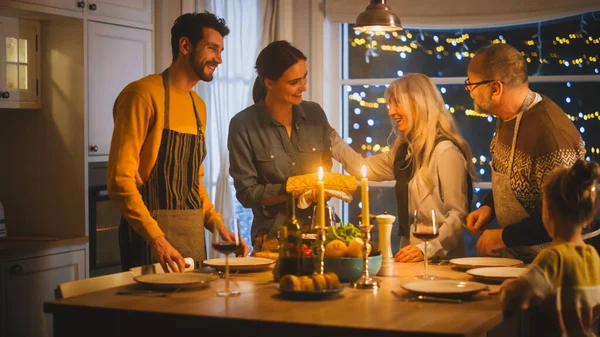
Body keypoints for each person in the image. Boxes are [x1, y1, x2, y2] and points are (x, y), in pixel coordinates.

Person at [108, 12, 248, 273]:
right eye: (212, 49)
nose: (219, 59)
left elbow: (193, 184)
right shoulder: (142, 95)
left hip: (191, 241)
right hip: (149, 244)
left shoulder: (198, 106)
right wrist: (156, 239)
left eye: (221, 51)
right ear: (185, 46)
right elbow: (120, 181)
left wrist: (219, 227)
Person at [330, 73, 476, 262]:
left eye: (396, 103)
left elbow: (458, 216)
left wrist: (426, 249)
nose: (390, 111)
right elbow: (361, 167)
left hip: (442, 264)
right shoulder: (404, 152)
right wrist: (328, 134)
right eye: (389, 104)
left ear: (419, 103)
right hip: (409, 259)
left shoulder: (445, 151)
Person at [464, 43, 589, 260]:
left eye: (472, 84)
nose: (468, 90)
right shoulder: (506, 116)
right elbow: (517, 180)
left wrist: (504, 237)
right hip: (520, 258)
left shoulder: (551, 137)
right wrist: (488, 207)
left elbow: (563, 216)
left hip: (556, 265)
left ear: (495, 89)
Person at [228, 40, 332, 251]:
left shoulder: (315, 114)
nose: (303, 87)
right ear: (269, 82)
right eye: (294, 82)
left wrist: (325, 188)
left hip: (320, 234)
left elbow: (325, 169)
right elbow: (247, 194)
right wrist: (294, 187)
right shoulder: (243, 125)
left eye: (305, 77)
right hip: (273, 241)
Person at [501, 159, 600, 337]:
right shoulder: (593, 256)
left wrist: (506, 287)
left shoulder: (553, 259)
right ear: (586, 217)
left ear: (549, 213)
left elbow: (515, 298)